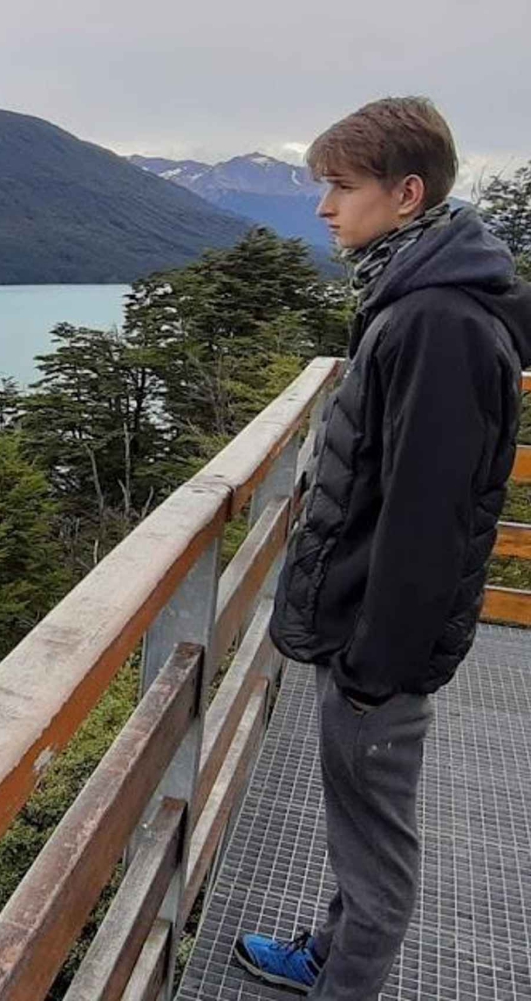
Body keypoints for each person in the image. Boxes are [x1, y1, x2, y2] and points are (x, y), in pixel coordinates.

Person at [233, 97, 531, 998]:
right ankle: (329, 953)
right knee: (362, 822)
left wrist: (374, 663)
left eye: (340, 186)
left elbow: (427, 518)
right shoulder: (417, 298)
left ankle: (344, 982)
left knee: (377, 844)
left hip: (382, 646)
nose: (324, 207)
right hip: (373, 631)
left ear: (406, 194)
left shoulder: (435, 321)